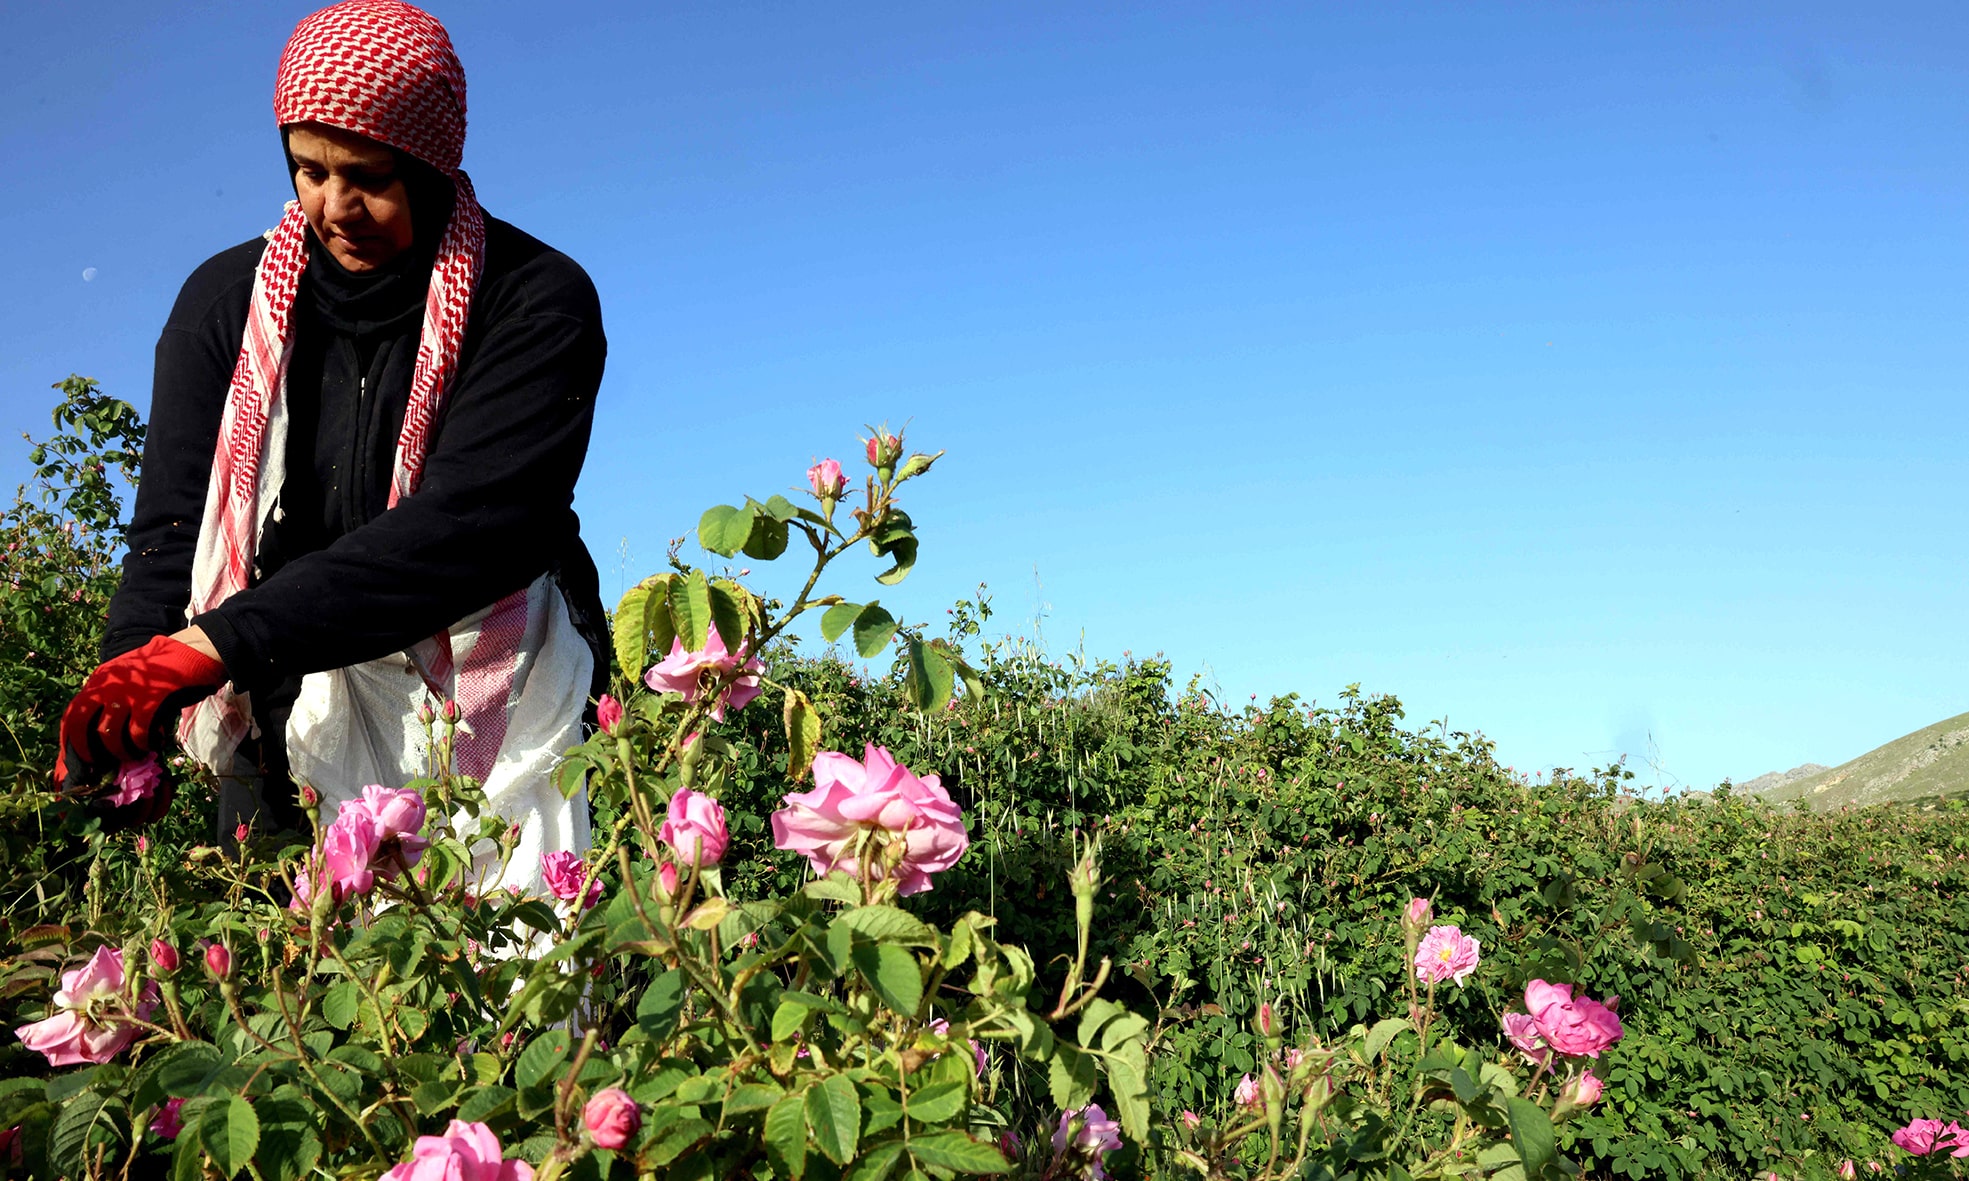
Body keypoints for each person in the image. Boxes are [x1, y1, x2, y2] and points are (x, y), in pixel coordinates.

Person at [55, 0, 610, 888]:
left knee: (512, 983)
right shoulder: (227, 303)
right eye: (309, 170)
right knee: (316, 992)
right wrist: (133, 690)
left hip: (494, 688)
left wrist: (211, 647)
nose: (336, 206)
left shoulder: (531, 298)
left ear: (431, 168)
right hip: (281, 701)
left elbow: (474, 526)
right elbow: (174, 524)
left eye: (369, 176)